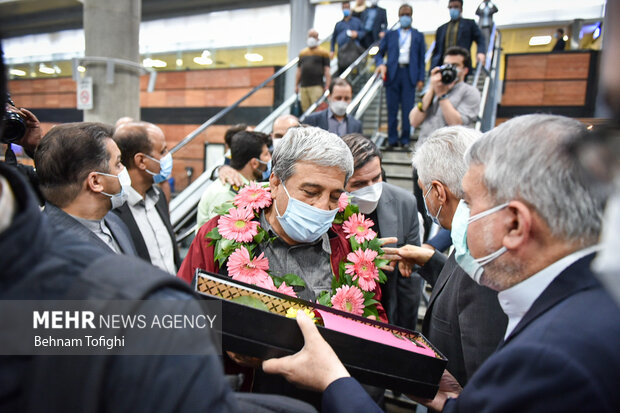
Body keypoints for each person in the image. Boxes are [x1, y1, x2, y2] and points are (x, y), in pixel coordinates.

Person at [263, 114, 620, 413]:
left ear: (514, 223)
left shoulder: (550, 359)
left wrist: (334, 381)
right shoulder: (588, 302)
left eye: (470, 203)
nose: (458, 217)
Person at [179, 126, 385, 319]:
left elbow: (374, 321)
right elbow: (179, 313)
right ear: (276, 183)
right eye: (311, 192)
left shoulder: (349, 249)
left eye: (334, 197)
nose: (322, 207)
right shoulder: (218, 235)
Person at [383, 126, 506, 386]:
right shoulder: (467, 234)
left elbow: (483, 377)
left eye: (422, 190)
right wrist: (430, 261)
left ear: (438, 192)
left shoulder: (483, 250)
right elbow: (462, 288)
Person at [342, 133, 423, 331]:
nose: (371, 188)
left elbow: (410, 278)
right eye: (359, 184)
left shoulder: (404, 202)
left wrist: (405, 334)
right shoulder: (328, 205)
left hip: (387, 313)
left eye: (376, 178)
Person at [34, 122, 137, 255]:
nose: (124, 169)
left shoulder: (113, 221)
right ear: (95, 181)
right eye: (118, 163)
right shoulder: (50, 250)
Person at [111, 121, 180, 273]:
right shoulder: (113, 212)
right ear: (141, 161)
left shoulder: (158, 197)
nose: (168, 156)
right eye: (162, 151)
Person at [375, 3, 425, 149]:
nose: (405, 17)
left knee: (408, 109)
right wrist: (381, 64)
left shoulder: (418, 35)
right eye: (402, 15)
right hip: (392, 75)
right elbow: (379, 53)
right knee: (392, 109)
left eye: (407, 15)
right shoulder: (390, 35)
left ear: (411, 16)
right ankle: (392, 139)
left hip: (409, 75)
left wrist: (421, 78)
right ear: (398, 16)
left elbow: (421, 59)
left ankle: (405, 140)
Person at [197, 130, 271, 228]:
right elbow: (223, 239)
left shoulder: (249, 186)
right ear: (254, 163)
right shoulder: (226, 193)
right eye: (266, 154)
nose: (270, 158)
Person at [410, 46, 480, 146]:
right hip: (423, 151)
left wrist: (442, 95)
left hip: (450, 154)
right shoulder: (434, 87)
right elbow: (414, 121)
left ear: (465, 70)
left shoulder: (470, 92)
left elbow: (456, 124)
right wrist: (431, 90)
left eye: (455, 65)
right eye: (446, 65)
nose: (450, 68)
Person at [430, 0, 486, 73]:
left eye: (456, 7)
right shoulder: (441, 29)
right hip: (443, 65)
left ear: (461, 9)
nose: (453, 9)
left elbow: (480, 39)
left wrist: (481, 52)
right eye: (450, 7)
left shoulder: (469, 24)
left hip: (461, 65)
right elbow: (436, 50)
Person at [296, 29, 331, 113]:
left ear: (318, 38)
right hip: (303, 86)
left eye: (314, 36)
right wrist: (296, 85)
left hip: (317, 86)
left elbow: (327, 70)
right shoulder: (302, 53)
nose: (312, 38)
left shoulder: (324, 52)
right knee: (305, 111)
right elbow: (299, 70)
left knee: (317, 110)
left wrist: (327, 85)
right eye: (310, 36)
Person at [330, 2, 364, 75]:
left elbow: (363, 33)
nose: (346, 9)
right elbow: (333, 39)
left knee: (354, 72)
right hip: (342, 52)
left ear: (350, 8)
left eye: (347, 7)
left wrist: (357, 34)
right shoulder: (338, 24)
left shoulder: (357, 21)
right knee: (342, 72)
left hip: (354, 51)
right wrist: (332, 50)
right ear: (342, 9)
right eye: (344, 7)